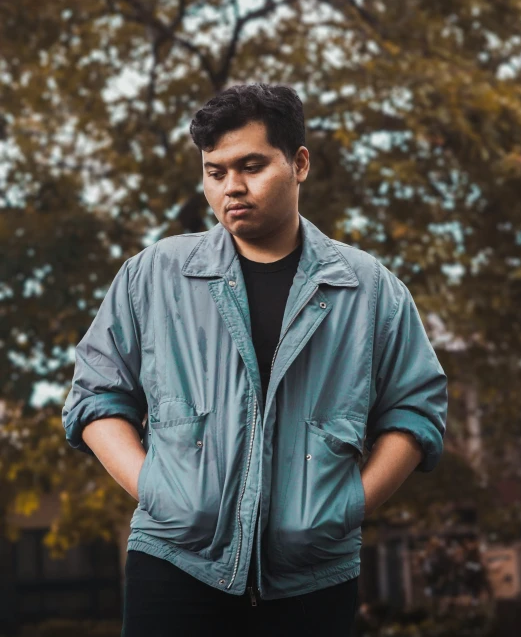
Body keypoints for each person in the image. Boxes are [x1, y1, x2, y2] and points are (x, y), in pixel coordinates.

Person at [62, 82, 448, 636]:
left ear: (300, 164)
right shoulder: (154, 274)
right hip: (173, 563)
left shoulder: (370, 290)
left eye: (251, 165)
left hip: (314, 574)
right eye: (215, 171)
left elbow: (416, 409)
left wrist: (348, 507)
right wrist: (156, 491)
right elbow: (97, 394)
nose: (231, 188)